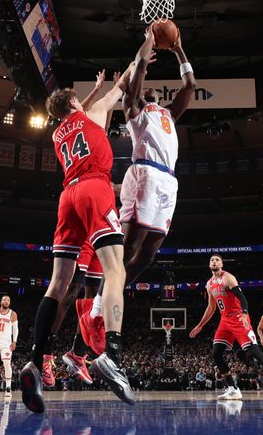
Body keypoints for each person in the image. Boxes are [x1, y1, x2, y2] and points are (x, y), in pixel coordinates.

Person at [20, 64, 135, 413]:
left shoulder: (58, 134)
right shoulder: (92, 115)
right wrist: (139, 57)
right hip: (95, 188)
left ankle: (36, 362)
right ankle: (112, 354)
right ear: (75, 103)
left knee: (57, 285)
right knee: (116, 270)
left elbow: (74, 113)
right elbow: (123, 88)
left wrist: (94, 92)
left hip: (67, 197)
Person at [88, 25, 195, 320]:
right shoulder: (134, 107)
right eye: (143, 86)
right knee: (130, 244)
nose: (147, 88)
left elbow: (189, 86)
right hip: (145, 175)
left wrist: (178, 49)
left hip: (168, 181)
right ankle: (97, 306)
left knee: (148, 254)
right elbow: (139, 72)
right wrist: (148, 42)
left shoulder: (169, 114)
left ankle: (116, 290)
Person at [189, 254, 263, 401]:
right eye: (212, 260)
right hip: (224, 320)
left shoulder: (228, 278)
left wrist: (244, 314)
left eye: (217, 260)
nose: (214, 261)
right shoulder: (209, 284)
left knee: (253, 350)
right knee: (216, 354)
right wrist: (200, 325)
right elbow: (211, 307)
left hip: (238, 317)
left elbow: (242, 298)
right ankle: (233, 389)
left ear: (222, 264)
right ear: (209, 264)